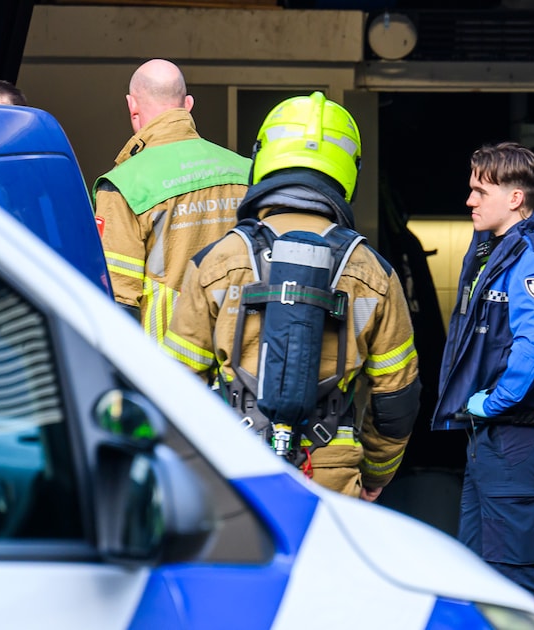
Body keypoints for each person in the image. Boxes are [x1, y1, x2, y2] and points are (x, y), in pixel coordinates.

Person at [163, 92, 420, 501]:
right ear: (348, 170)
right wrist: (374, 473)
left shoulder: (217, 260)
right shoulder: (374, 272)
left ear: (263, 156)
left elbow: (177, 385)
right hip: (330, 474)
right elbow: (396, 398)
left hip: (234, 467)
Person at [431, 142, 534, 600]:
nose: (470, 200)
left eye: (481, 191)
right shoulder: (500, 251)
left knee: (513, 580)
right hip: (493, 440)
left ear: (515, 198)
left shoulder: (533, 258)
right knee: (478, 572)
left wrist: (495, 400)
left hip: (517, 439)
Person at [93, 59, 250, 344]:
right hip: (239, 367)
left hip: (168, 371)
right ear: (188, 104)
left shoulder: (125, 184)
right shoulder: (246, 172)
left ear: (132, 105)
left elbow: (119, 299)